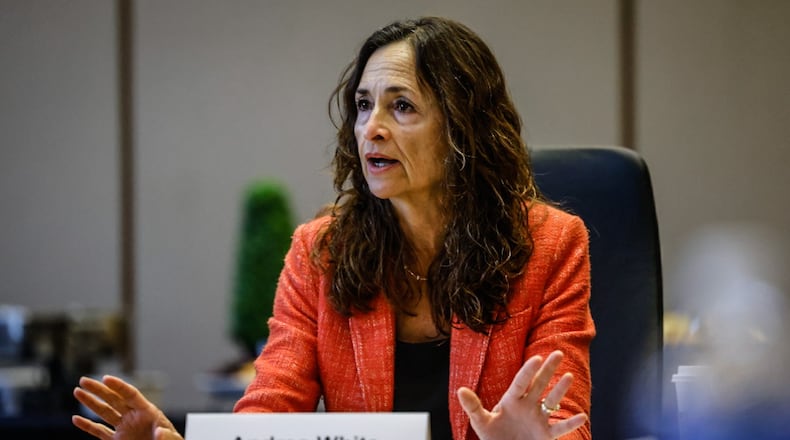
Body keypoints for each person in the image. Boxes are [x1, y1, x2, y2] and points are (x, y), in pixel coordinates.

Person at [72, 17, 595, 440]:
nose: (372, 127)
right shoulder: (320, 252)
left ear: (464, 126)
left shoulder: (550, 246)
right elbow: (269, 413)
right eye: (364, 105)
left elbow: (566, 421)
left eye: (402, 106)